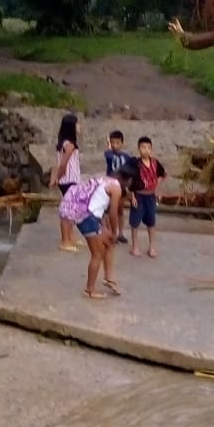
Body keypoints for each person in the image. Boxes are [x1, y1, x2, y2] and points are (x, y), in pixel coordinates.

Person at [58, 165, 138, 299]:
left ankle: (108, 278)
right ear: (128, 180)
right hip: (89, 218)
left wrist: (107, 231)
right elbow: (113, 213)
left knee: (109, 244)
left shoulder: (105, 179)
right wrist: (114, 231)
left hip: (89, 216)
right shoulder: (116, 188)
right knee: (97, 254)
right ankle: (90, 290)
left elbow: (98, 204)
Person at [49, 113, 82, 252]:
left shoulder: (64, 143)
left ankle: (71, 237)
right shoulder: (70, 145)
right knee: (68, 211)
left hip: (70, 180)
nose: (79, 126)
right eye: (77, 124)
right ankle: (65, 241)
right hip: (68, 180)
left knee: (72, 209)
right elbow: (63, 164)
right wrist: (58, 177)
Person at [129, 136, 166, 258]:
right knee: (135, 222)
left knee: (151, 222)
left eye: (148, 148)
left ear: (151, 149)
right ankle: (135, 246)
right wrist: (132, 196)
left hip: (150, 196)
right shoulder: (136, 164)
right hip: (139, 195)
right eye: (143, 147)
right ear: (139, 149)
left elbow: (162, 175)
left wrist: (157, 189)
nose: (146, 150)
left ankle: (152, 247)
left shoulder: (155, 163)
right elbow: (130, 181)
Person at [104, 129, 133, 244]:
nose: (115, 145)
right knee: (111, 210)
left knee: (120, 210)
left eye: (117, 143)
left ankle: (120, 233)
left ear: (122, 143)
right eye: (112, 143)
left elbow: (131, 171)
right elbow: (110, 155)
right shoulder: (108, 154)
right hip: (111, 186)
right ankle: (112, 233)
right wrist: (108, 145)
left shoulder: (127, 156)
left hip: (122, 186)